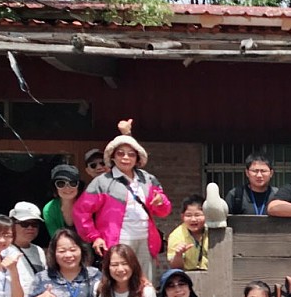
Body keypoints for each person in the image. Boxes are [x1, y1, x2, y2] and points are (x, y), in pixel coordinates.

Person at [74, 119, 172, 282]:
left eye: (131, 154)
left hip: (145, 240)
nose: (126, 157)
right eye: (120, 153)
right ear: (112, 157)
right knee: (118, 283)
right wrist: (95, 236)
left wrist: (161, 202)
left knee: (144, 283)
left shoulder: (148, 179)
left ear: (137, 158)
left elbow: (164, 211)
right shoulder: (102, 181)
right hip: (117, 240)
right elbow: (81, 211)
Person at [167, 195, 209, 271]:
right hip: (187, 276)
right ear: (182, 217)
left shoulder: (212, 232)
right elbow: (175, 267)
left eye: (197, 215)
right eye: (188, 215)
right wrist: (178, 255)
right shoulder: (176, 236)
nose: (193, 219)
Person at [42, 164, 82, 237]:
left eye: (73, 183)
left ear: (78, 186)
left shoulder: (88, 204)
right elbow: (56, 238)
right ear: (55, 187)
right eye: (61, 184)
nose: (67, 188)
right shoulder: (49, 209)